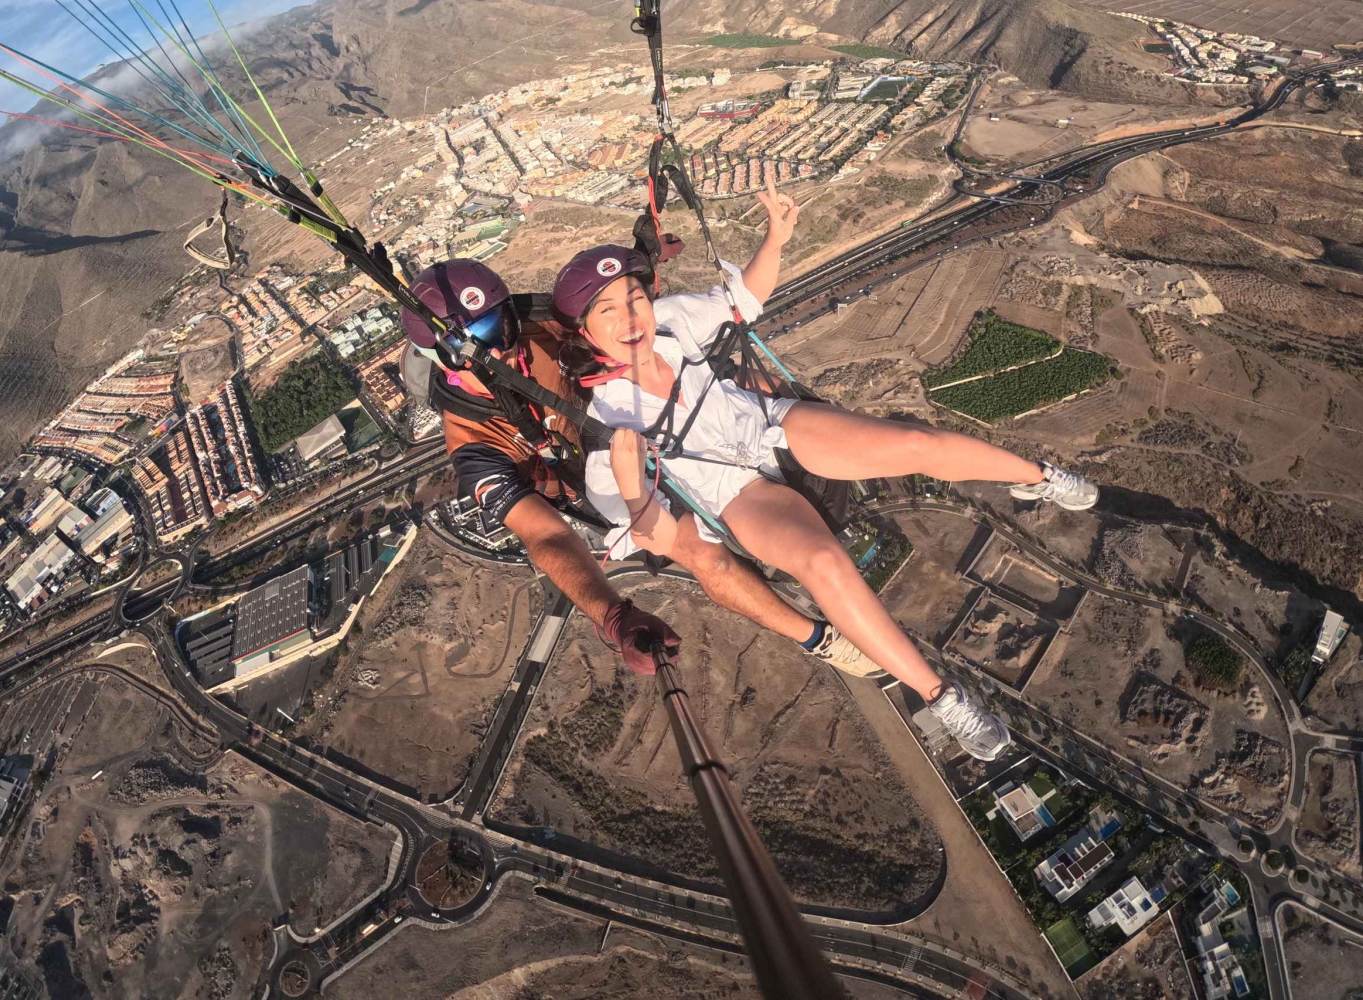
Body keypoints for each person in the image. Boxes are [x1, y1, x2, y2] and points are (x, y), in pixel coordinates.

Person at [550, 178, 1100, 761]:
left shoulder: (670, 320)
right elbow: (659, 537)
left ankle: (1037, 477)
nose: (630, 316)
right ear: (585, 332)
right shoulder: (608, 426)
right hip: (735, 491)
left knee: (914, 441)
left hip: (771, 424)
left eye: (634, 298)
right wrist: (634, 489)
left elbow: (743, 300)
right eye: (607, 310)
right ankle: (941, 697)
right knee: (821, 563)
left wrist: (775, 238)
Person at [397, 259, 872, 677]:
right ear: (443, 357)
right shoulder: (474, 441)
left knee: (755, 387)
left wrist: (639, 269)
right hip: (611, 473)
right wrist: (613, 616)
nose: (499, 346)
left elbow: (614, 318)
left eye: (500, 325)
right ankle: (818, 638)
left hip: (644, 411)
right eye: (476, 340)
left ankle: (852, 464)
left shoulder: (540, 325)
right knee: (700, 553)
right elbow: (545, 536)